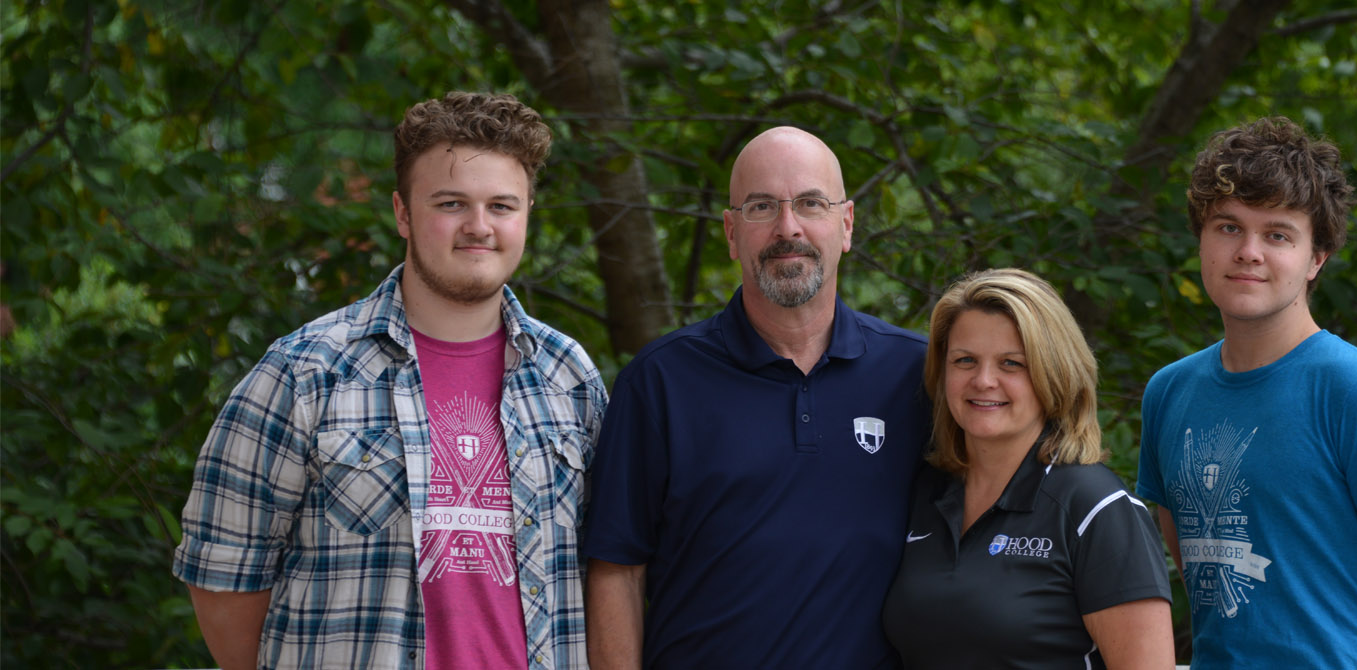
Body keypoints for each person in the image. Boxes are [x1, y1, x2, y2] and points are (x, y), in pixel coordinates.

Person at [172, 92, 606, 670]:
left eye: (502, 206)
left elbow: (605, 572)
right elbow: (224, 583)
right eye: (451, 203)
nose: (479, 227)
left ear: (527, 213)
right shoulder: (303, 373)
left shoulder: (568, 376)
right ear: (402, 213)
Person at [583, 126, 931, 669]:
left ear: (846, 225)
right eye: (762, 206)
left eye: (811, 203)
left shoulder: (917, 375)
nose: (786, 227)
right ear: (730, 231)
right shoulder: (660, 382)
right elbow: (616, 572)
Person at [1136, 117, 1357, 668]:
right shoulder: (1168, 392)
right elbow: (1198, 568)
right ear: (1201, 239)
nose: (1248, 251)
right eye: (1228, 227)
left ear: (1317, 258)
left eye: (1278, 234)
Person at [881, 268, 1174, 669]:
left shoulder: (1096, 508)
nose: (984, 381)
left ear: (1053, 373)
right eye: (965, 360)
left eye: (1011, 364)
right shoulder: (925, 491)